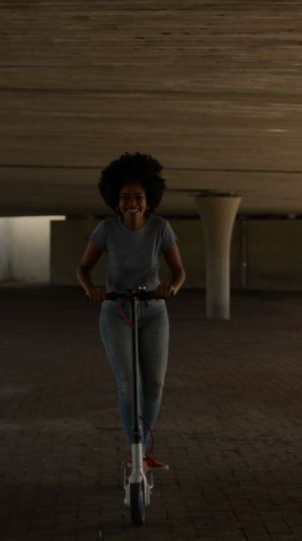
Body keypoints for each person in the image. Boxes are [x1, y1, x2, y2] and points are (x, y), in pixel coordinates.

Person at [77, 152, 186, 469]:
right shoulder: (106, 230)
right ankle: (134, 450)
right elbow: (83, 268)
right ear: (116, 200)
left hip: (153, 311)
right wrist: (92, 290)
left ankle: (144, 448)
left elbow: (178, 271)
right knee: (128, 383)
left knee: (154, 384)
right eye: (125, 197)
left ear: (149, 200)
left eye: (138, 197)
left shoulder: (160, 228)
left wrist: (171, 288)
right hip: (116, 311)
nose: (132, 203)